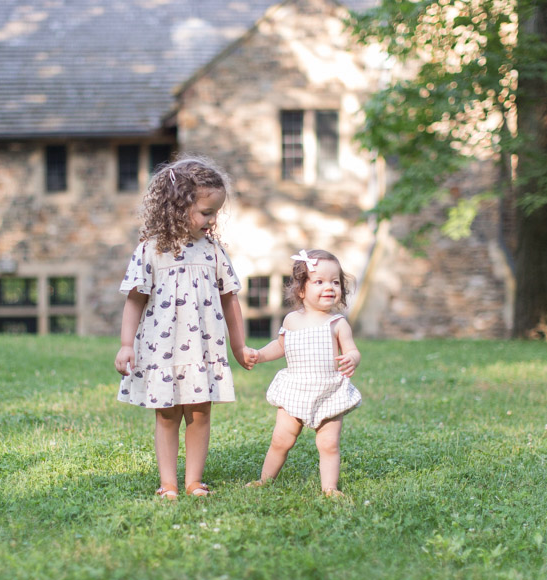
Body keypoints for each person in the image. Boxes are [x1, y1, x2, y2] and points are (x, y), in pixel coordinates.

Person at [114, 156, 254, 500]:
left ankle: (193, 480)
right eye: (207, 212)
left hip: (203, 349)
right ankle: (169, 483)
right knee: (167, 415)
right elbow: (135, 300)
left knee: (200, 411)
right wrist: (126, 344)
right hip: (163, 350)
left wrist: (238, 347)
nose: (212, 221)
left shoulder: (213, 252)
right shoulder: (151, 251)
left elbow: (230, 299)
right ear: (178, 206)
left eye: (215, 213)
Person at [245, 249, 362, 497]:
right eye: (319, 281)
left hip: (328, 391)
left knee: (328, 444)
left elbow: (352, 349)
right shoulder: (291, 321)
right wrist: (260, 355)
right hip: (295, 389)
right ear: (300, 290)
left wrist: (351, 358)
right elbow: (279, 346)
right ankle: (265, 480)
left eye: (335, 282)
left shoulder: (337, 323)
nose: (329, 287)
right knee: (281, 440)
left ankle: (329, 488)